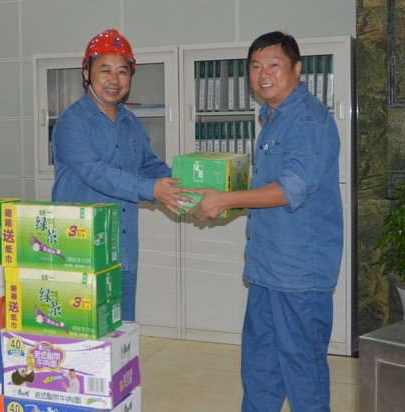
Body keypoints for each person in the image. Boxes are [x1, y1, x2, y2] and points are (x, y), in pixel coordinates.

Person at [191, 31, 343, 412]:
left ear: (297, 68)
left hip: (299, 276)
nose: (264, 75)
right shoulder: (272, 118)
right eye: (256, 67)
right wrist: (220, 196)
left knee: (304, 378)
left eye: (274, 65)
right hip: (266, 269)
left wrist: (225, 200)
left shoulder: (307, 120)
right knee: (260, 372)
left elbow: (291, 188)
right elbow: (265, 188)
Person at [51, 28, 193, 322]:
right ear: (87, 73)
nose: (114, 80)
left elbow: (148, 166)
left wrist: (190, 185)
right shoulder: (72, 122)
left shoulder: (131, 122)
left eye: (122, 71)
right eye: (105, 70)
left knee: (122, 332)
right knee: (84, 335)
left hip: (123, 248)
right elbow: (95, 173)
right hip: (80, 250)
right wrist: (152, 189)